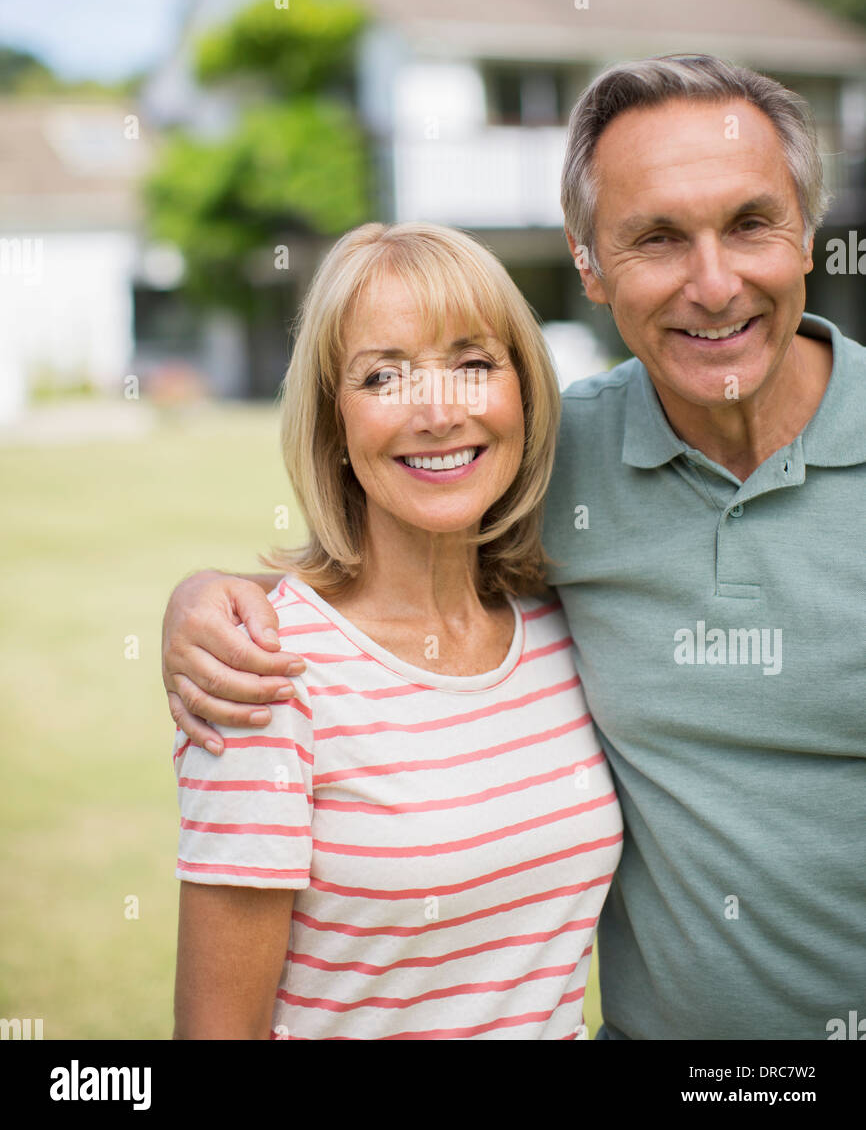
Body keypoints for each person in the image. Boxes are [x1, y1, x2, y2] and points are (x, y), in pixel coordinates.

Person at [165, 55, 866, 1040]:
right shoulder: (545, 462)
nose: (713, 283)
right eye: (657, 237)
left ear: (805, 234)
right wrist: (205, 598)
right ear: (587, 264)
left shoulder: (533, 556)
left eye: (749, 222)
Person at [172, 219, 623, 1040]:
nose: (437, 412)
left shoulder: (564, 627)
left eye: (473, 364)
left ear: (524, 394)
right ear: (334, 426)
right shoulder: (263, 673)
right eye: (384, 376)